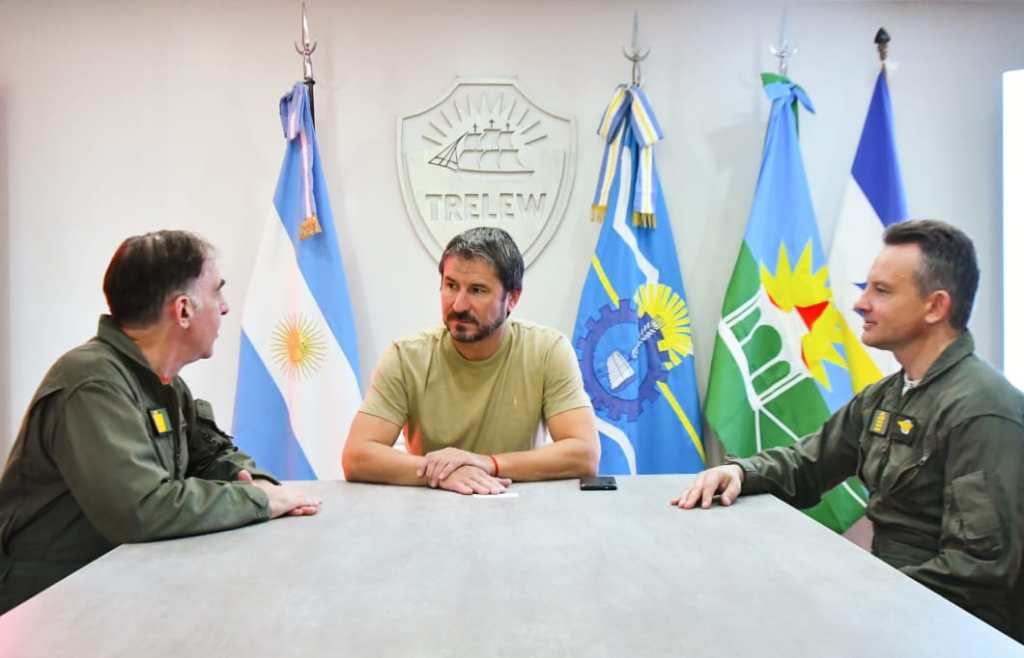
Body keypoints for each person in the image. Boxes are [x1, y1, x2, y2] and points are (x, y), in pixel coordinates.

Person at [673, 220, 1023, 642]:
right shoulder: (888, 395)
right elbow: (808, 464)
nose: (860, 303)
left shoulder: (981, 410)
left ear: (935, 307)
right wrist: (739, 472)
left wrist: (854, 593)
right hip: (892, 610)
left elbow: (978, 571)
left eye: (882, 291)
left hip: (946, 631)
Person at [0, 230, 321, 615]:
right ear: (183, 310)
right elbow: (141, 508)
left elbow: (210, 456)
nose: (224, 308)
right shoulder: (92, 384)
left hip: (112, 590)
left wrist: (257, 482)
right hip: (48, 604)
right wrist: (258, 501)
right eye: (217, 292)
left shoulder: (163, 383)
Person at [343, 226, 599, 494]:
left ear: (512, 298)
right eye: (451, 286)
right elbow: (356, 456)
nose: (459, 305)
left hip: (516, 504)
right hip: (431, 507)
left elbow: (584, 454)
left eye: (477, 290)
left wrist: (487, 464)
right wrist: (442, 473)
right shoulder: (405, 357)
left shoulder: (548, 351)